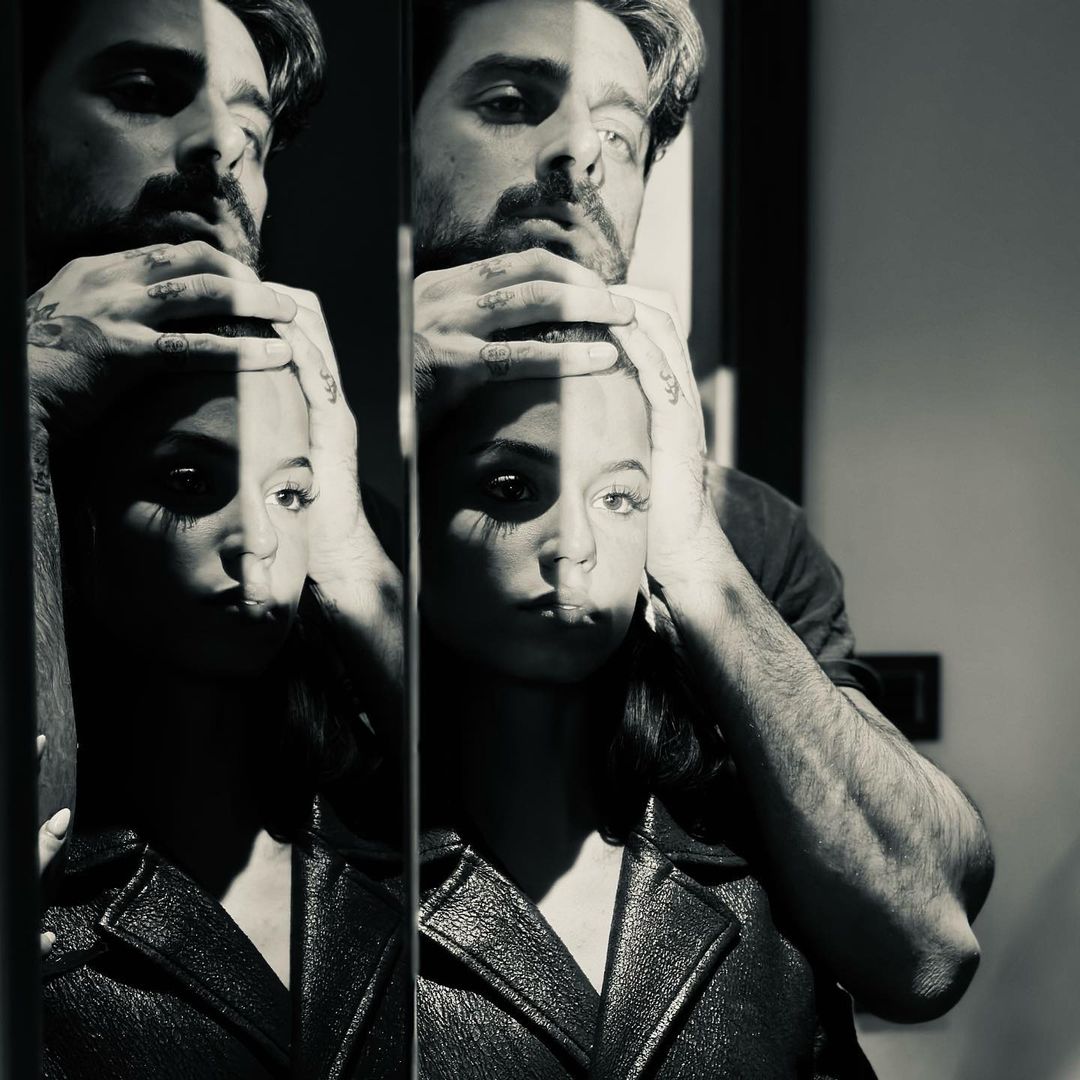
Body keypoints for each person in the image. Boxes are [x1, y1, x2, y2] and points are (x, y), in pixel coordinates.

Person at [410, 0, 994, 1024]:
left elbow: (926, 945)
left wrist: (701, 572)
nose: (578, 158)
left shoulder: (743, 531)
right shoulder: (255, 479)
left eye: (619, 136)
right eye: (510, 102)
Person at [416, 331, 877, 1076]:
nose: (574, 544)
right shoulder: (333, 873)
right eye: (510, 488)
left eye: (618, 498)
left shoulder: (758, 870)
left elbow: (928, 959)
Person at [40, 334, 405, 1076]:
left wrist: (358, 573)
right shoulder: (39, 892)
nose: (258, 541)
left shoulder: (389, 836)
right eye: (189, 480)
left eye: (290, 494)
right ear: (78, 514)